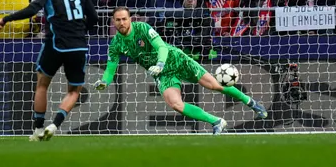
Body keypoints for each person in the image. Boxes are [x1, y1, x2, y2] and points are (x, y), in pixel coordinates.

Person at [94, 7, 267, 134]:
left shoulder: (143, 28)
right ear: (113, 22)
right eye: (118, 20)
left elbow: (161, 46)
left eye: (124, 19)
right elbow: (110, 68)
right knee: (175, 104)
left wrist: (160, 63)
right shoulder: (115, 44)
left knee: (215, 85)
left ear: (130, 19)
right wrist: (104, 81)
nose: (122, 22)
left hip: (176, 60)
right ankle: (216, 121)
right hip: (163, 74)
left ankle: (251, 102)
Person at [0, 0, 98, 141]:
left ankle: (38, 129)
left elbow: (32, 10)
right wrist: (82, 31)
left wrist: (5, 19)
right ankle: (54, 124)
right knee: (74, 91)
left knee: (42, 85)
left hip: (55, 43)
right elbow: (94, 17)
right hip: (78, 45)